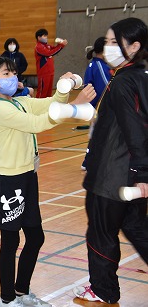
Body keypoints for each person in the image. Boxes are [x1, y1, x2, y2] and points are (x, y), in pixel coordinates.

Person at [0, 56, 96, 307]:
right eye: (5, 74)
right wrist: (74, 106)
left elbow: (50, 104)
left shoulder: (20, 102)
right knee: (10, 242)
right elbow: (37, 124)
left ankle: (22, 291)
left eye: (12, 72)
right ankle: (6, 299)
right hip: (8, 182)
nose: (12, 77)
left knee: (36, 237)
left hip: (28, 177)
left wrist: (64, 89)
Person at [73, 17, 148, 304]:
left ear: (135, 46)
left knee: (101, 233)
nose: (108, 46)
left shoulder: (123, 84)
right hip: (127, 176)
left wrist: (143, 174)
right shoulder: (138, 77)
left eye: (116, 42)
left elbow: (135, 130)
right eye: (107, 40)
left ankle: (103, 289)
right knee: (137, 228)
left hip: (111, 178)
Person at [80, 37, 111, 171]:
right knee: (99, 135)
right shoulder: (99, 66)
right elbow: (107, 88)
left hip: (93, 107)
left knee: (96, 135)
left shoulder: (94, 65)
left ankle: (88, 161)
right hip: (98, 107)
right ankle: (89, 162)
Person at [34, 29, 67, 98]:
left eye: (46, 36)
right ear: (39, 37)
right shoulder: (38, 47)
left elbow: (54, 49)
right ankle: (38, 106)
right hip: (43, 73)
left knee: (49, 93)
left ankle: (47, 106)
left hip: (50, 72)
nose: (46, 37)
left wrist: (60, 43)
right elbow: (49, 53)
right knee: (42, 92)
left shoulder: (47, 46)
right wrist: (61, 46)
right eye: (44, 36)